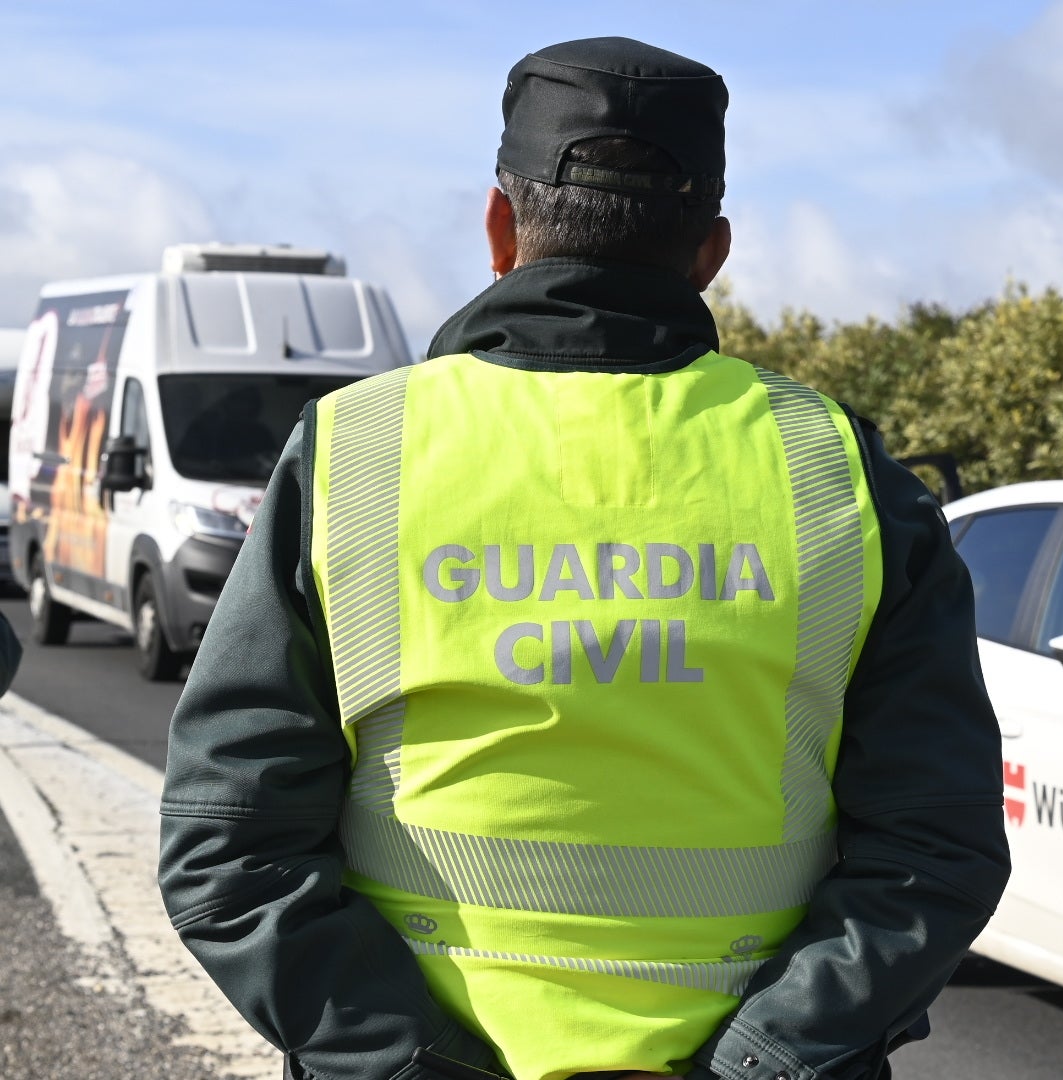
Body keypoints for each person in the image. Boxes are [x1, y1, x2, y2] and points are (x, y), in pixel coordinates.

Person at [157, 36, 1010, 1080]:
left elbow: (227, 846)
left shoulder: (354, 451)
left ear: (500, 227)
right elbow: (936, 850)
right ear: (713, 250)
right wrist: (760, 1063)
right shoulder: (837, 468)